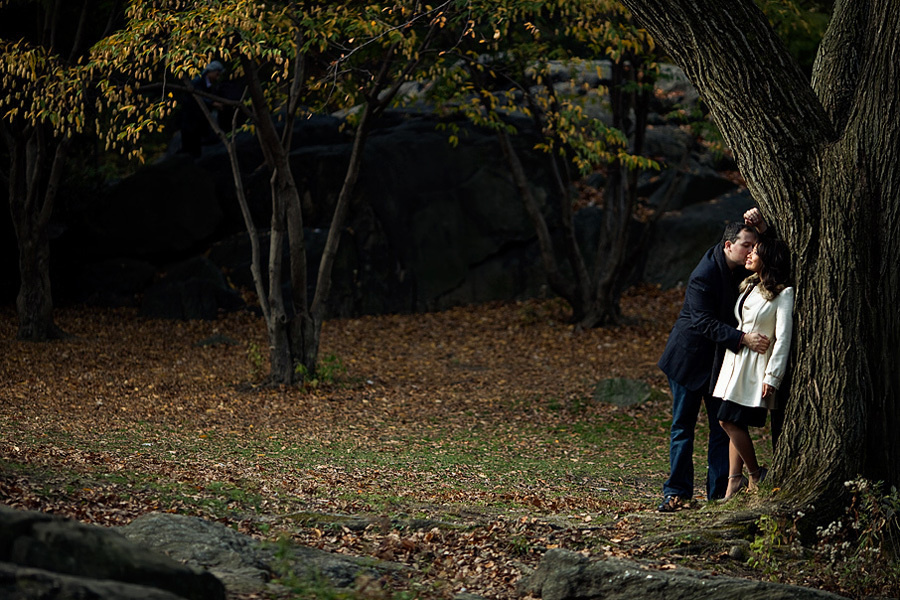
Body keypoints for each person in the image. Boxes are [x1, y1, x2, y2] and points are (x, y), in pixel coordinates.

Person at [657, 209, 771, 512]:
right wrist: (743, 339)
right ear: (727, 245)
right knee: (683, 427)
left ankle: (719, 494)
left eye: (753, 246)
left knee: (722, 426)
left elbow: (774, 259)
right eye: (745, 245)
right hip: (688, 360)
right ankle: (676, 492)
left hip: (721, 362)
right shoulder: (703, 275)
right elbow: (702, 321)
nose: (750, 251)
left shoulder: (746, 268)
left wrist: (763, 227)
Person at [715, 238, 794, 499]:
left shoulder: (783, 294)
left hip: (756, 371)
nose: (748, 254)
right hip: (737, 364)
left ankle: (755, 474)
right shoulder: (750, 286)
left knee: (727, 419)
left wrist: (773, 376)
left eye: (755, 252)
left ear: (768, 259)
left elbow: (783, 339)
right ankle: (733, 484)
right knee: (733, 421)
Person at [180, 61, 226, 157]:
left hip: (201, 116)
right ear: (210, 71)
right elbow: (197, 96)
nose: (218, 77)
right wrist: (212, 103)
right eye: (217, 74)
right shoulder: (198, 81)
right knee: (193, 137)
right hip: (192, 115)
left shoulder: (211, 83)